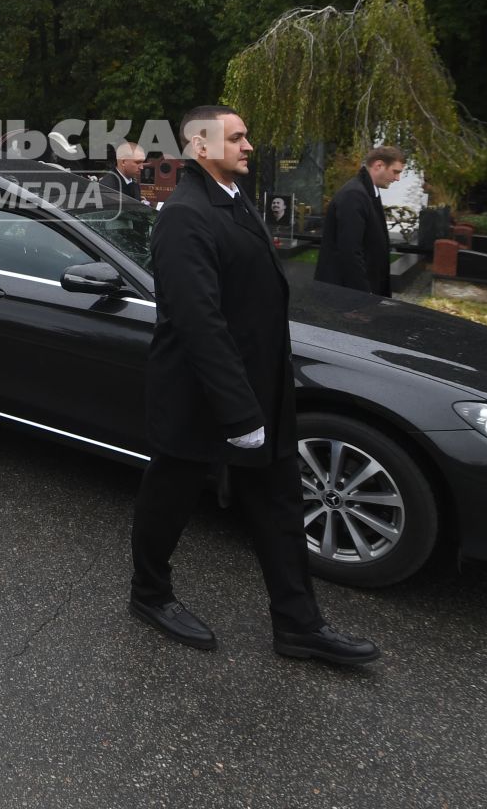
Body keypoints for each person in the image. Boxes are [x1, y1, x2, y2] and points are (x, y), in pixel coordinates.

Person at [128, 104, 379, 665]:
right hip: (201, 396)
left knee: (280, 507)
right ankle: (149, 593)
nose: (248, 146)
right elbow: (199, 323)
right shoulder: (184, 214)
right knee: (170, 498)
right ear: (199, 146)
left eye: (247, 137)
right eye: (236, 137)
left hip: (261, 388)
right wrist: (240, 415)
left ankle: (298, 625)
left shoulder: (234, 201)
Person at [313, 147, 406, 296]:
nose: (397, 178)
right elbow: (350, 251)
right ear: (379, 165)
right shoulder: (354, 195)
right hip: (346, 295)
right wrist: (363, 295)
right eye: (395, 172)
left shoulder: (367, 192)